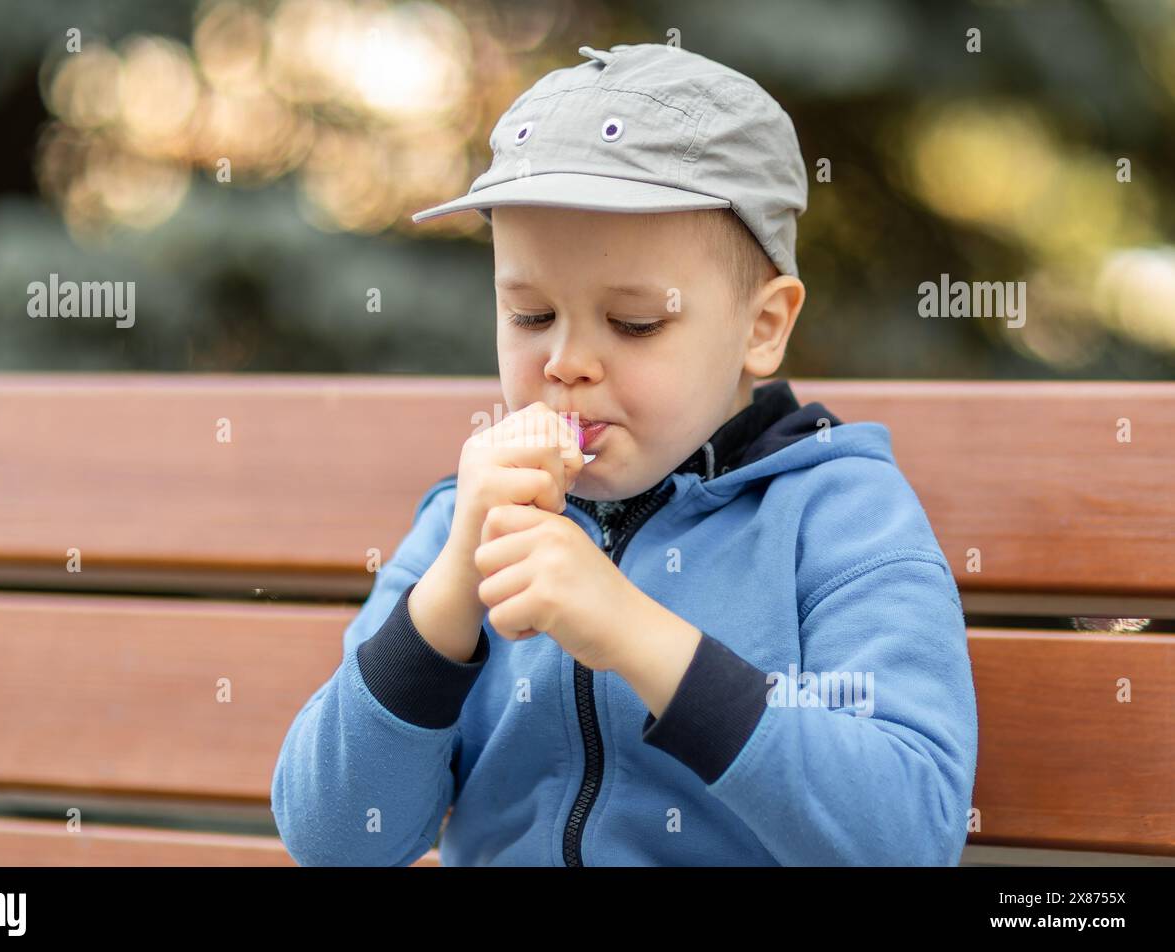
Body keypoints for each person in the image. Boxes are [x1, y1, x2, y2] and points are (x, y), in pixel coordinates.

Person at [271, 42, 978, 866]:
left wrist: (640, 639)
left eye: (636, 323)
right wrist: (447, 597)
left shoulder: (839, 518)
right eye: (531, 315)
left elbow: (908, 836)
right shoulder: (463, 526)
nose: (566, 361)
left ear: (763, 327)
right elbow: (332, 841)